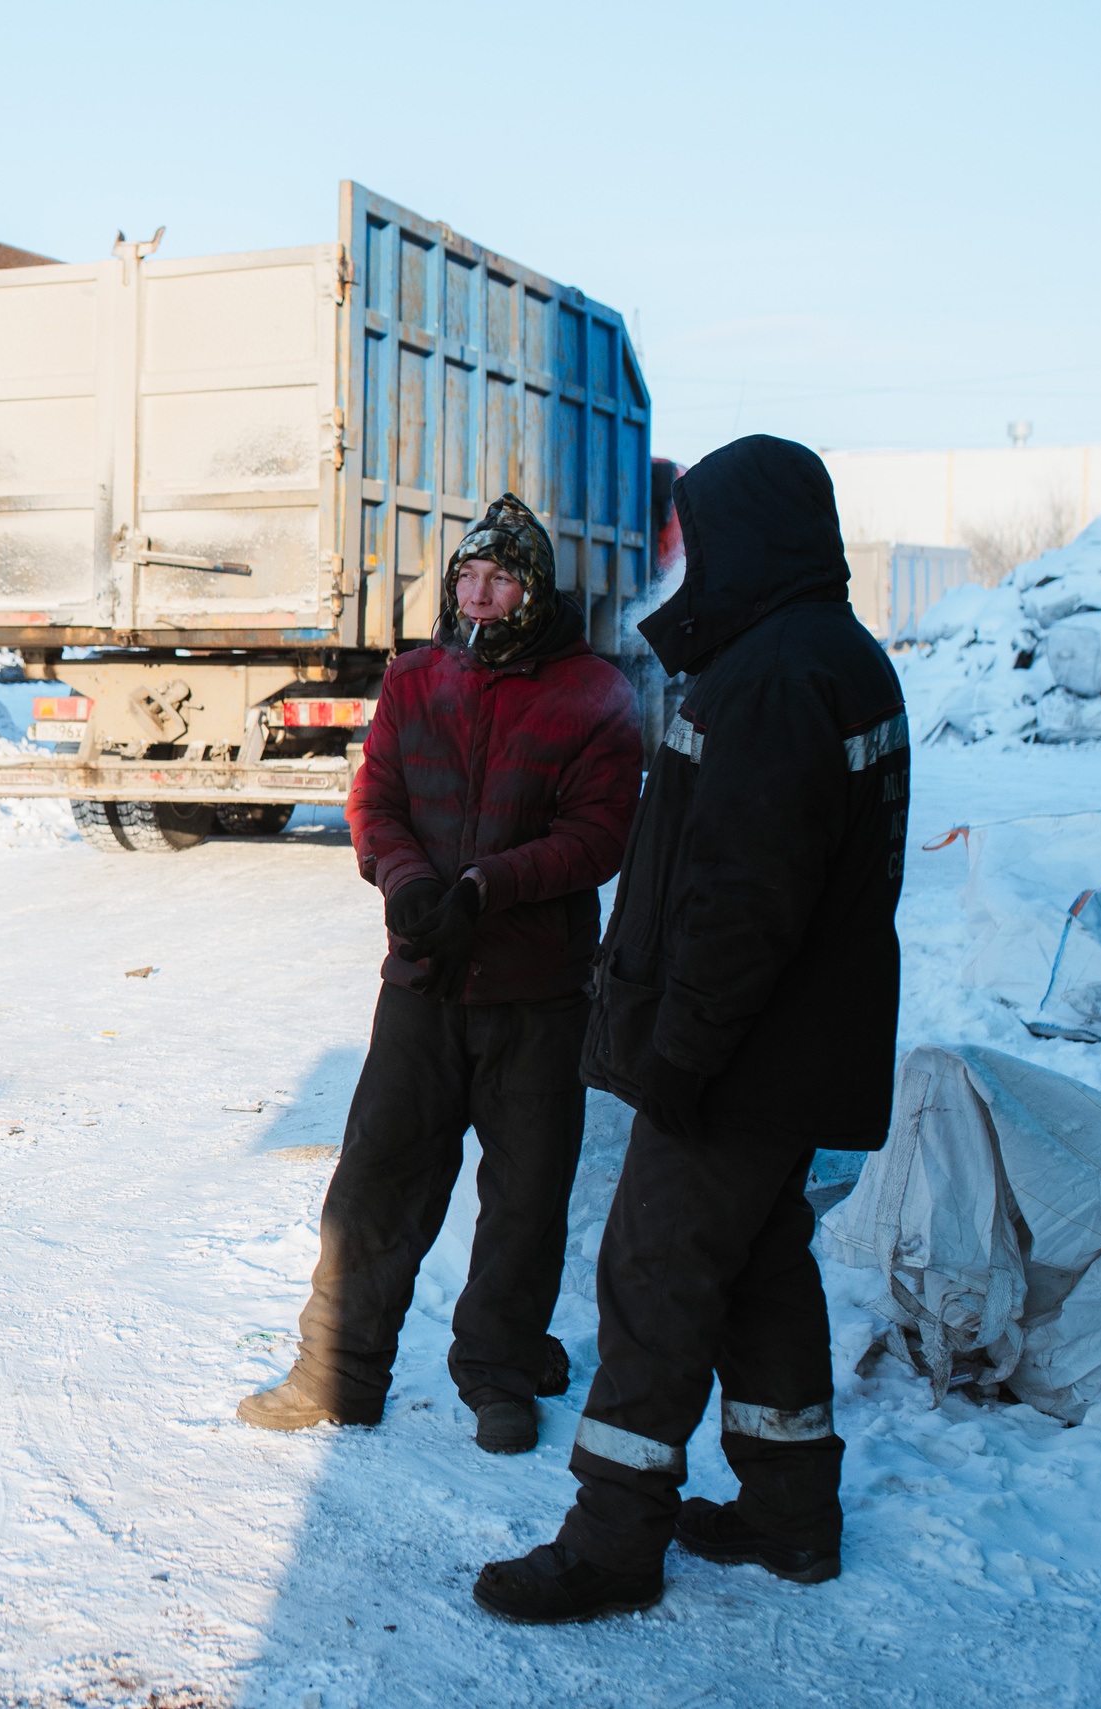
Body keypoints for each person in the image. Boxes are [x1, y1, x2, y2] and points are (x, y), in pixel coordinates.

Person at [475, 435, 908, 1624]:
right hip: (800, 1049)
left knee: (654, 1274)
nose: (691, 560)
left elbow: (743, 901)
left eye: (705, 535)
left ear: (751, 536)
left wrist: (682, 1051)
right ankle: (788, 1511)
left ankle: (612, 1541)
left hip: (742, 1057)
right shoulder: (840, 656)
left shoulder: (770, 677)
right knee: (764, 1269)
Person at [238, 492, 642, 1454]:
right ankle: (338, 1371)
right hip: (422, 981)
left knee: (525, 1199)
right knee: (376, 1182)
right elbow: (375, 795)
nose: (481, 592)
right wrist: (413, 885)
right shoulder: (418, 679)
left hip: (536, 992)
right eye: (468, 574)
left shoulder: (594, 694)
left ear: (534, 590)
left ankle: (498, 1370)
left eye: (501, 576)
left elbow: (598, 835)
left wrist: (486, 889)